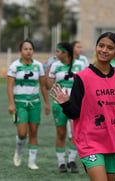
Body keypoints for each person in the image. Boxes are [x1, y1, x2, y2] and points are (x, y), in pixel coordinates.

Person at [50, 32, 115, 181]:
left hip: (114, 141)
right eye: (101, 45)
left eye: (109, 48)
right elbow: (75, 113)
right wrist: (65, 104)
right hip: (91, 142)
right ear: (96, 47)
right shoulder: (82, 77)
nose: (104, 50)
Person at [7, 39, 50, 170]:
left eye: (30, 49)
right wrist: (11, 104)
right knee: (22, 133)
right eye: (25, 49)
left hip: (35, 103)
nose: (28, 51)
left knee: (33, 132)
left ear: (33, 51)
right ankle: (19, 153)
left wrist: (47, 103)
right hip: (20, 104)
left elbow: (43, 86)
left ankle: (32, 161)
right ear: (20, 51)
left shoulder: (38, 66)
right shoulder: (14, 66)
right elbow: (9, 87)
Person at [46, 42, 85, 173]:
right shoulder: (55, 66)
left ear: (65, 53)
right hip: (58, 104)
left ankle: (72, 161)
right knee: (61, 134)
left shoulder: (80, 64)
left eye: (58, 51)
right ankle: (61, 162)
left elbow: (86, 84)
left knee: (75, 133)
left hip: (74, 104)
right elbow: (48, 86)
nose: (56, 54)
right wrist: (47, 71)